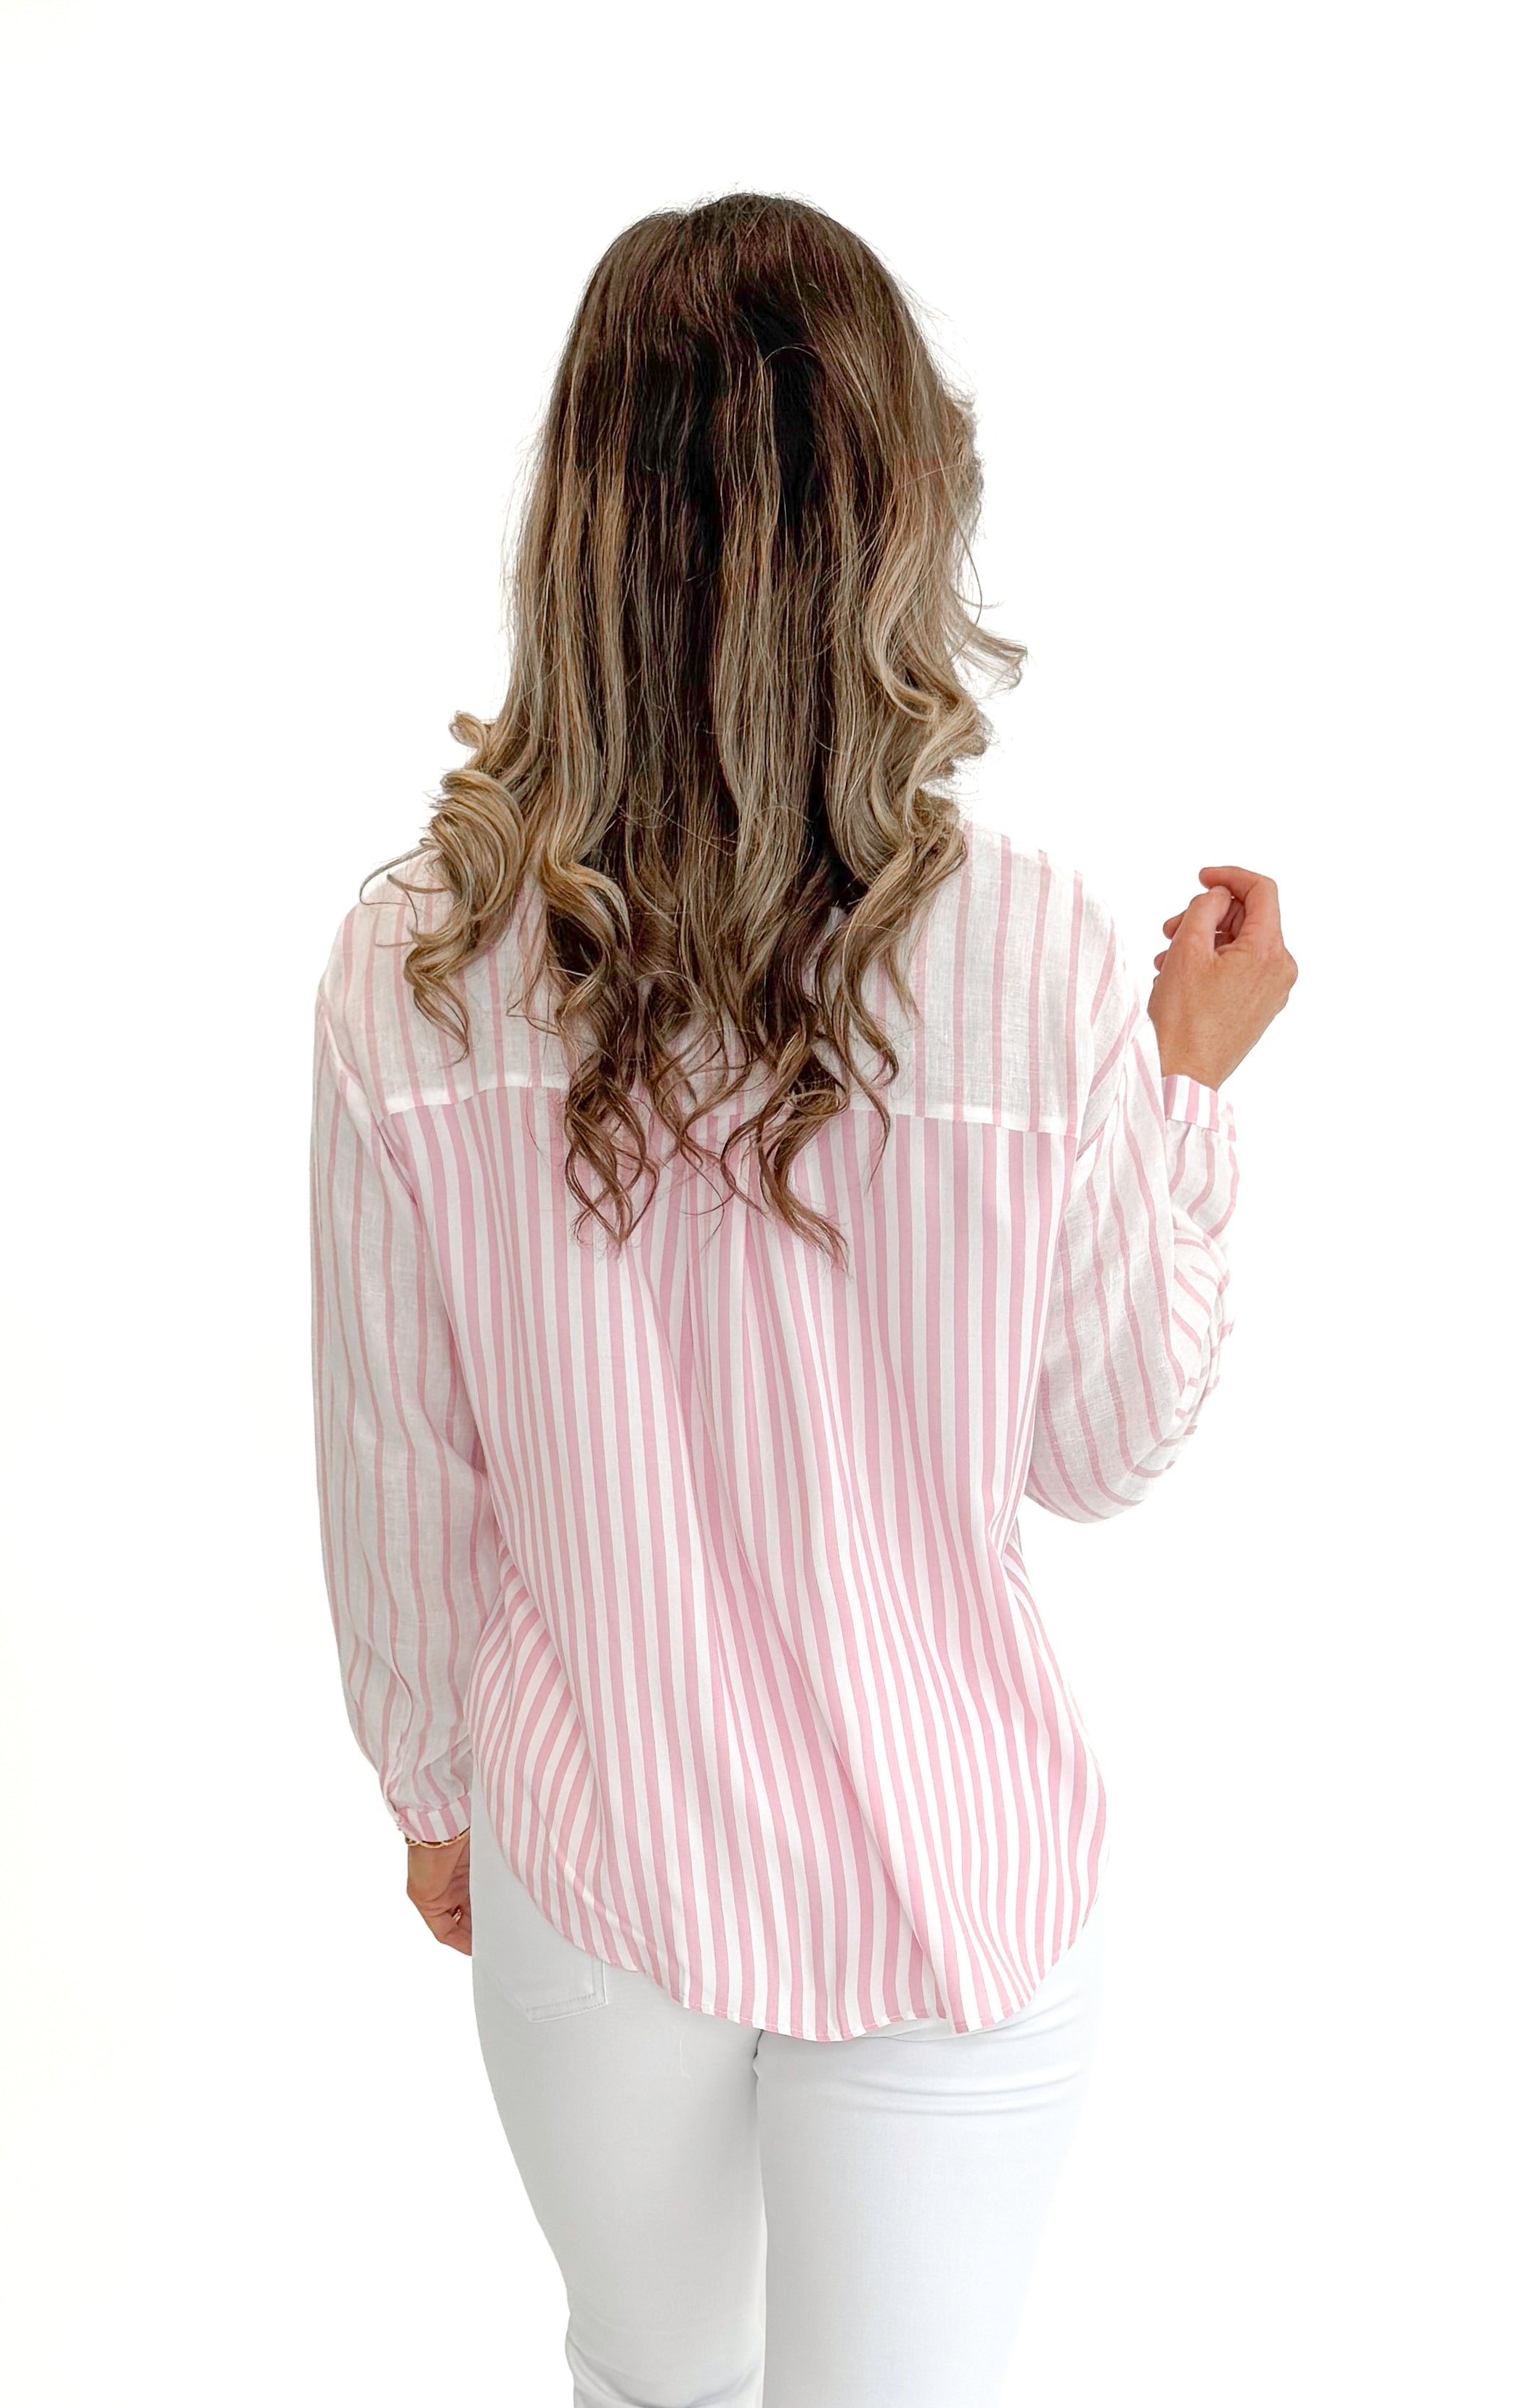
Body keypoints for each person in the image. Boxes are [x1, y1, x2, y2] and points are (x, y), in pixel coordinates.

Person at [309, 191, 1296, 2408]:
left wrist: (432, 1787)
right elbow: (1102, 1445)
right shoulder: (1035, 955)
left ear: (577, 520)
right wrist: (1187, 1096)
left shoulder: (410, 965)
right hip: (955, 1878)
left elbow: (394, 1445)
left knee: (648, 2387)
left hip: (598, 1855)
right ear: (895, 519)